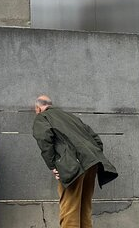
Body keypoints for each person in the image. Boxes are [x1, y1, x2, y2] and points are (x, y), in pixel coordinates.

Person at [31, 95, 118, 228]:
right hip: (92, 163)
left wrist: (53, 165)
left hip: (72, 167)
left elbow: (44, 139)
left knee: (70, 210)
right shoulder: (71, 117)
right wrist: (93, 155)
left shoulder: (42, 117)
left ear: (38, 108)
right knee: (85, 208)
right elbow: (96, 139)